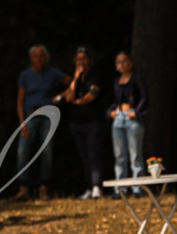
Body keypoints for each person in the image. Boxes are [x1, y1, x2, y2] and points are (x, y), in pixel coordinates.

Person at [15, 45, 69, 201]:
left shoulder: (52, 73)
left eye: (41, 56)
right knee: (22, 151)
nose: (39, 59)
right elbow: (20, 101)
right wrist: (22, 123)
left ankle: (43, 188)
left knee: (46, 152)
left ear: (46, 58)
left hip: (48, 115)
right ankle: (23, 188)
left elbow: (72, 83)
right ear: (31, 58)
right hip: (30, 115)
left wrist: (59, 98)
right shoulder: (25, 75)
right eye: (35, 56)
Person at [61, 47, 106, 200]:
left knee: (94, 155)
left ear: (89, 60)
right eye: (78, 59)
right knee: (84, 156)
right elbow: (68, 97)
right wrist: (75, 77)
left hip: (94, 122)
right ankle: (88, 186)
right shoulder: (76, 79)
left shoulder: (95, 75)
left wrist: (78, 102)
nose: (81, 62)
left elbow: (92, 95)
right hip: (77, 123)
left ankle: (97, 186)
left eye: (84, 59)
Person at [109, 51, 149, 198]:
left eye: (124, 61)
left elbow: (144, 97)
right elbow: (116, 100)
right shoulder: (116, 81)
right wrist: (111, 111)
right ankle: (121, 189)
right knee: (119, 156)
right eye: (119, 62)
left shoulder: (136, 78)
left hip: (132, 118)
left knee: (135, 155)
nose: (122, 65)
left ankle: (138, 189)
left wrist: (137, 113)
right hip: (118, 118)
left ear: (131, 63)